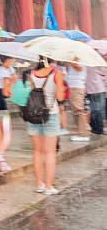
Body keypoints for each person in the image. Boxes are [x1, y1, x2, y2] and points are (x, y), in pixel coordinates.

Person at [28, 58, 64, 195]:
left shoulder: (32, 73)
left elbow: (32, 94)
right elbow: (60, 97)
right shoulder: (57, 73)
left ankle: (39, 184)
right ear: (52, 58)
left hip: (33, 114)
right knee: (50, 152)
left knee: (37, 151)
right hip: (51, 114)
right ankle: (48, 186)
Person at [65, 62, 87, 139]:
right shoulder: (72, 57)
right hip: (72, 85)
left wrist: (70, 62)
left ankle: (82, 134)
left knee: (79, 110)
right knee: (75, 110)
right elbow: (68, 70)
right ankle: (80, 132)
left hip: (78, 85)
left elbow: (80, 68)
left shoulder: (80, 56)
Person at [85, 64, 106, 137]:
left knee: (94, 110)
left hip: (90, 88)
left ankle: (94, 128)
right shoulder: (96, 62)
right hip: (98, 88)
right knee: (98, 110)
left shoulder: (85, 63)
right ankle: (99, 129)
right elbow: (104, 72)